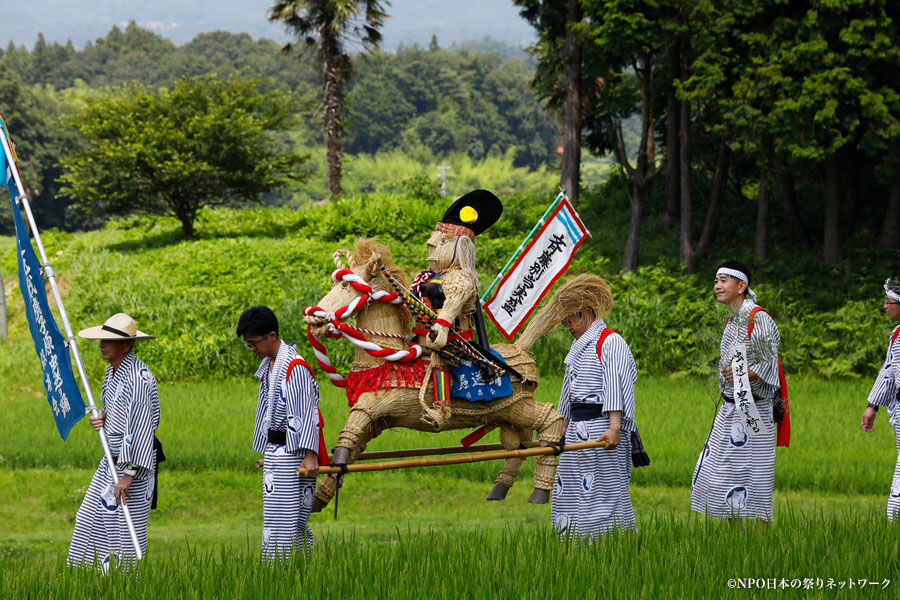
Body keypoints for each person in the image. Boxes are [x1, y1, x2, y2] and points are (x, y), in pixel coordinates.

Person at [546, 274, 643, 538]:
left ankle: (609, 544)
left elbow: (615, 385)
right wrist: (562, 427)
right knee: (569, 490)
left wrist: (614, 427)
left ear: (587, 313)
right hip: (577, 430)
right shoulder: (578, 346)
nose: (568, 326)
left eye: (571, 320)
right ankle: (572, 545)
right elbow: (568, 391)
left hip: (602, 429)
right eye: (564, 322)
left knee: (604, 491)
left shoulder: (610, 342)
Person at [67, 313, 161, 572]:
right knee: (89, 519)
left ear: (127, 345)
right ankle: (91, 579)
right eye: (101, 339)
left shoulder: (138, 378)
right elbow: (118, 410)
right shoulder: (113, 371)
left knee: (125, 534)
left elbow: (142, 427)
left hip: (132, 467)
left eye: (109, 340)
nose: (102, 344)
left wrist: (128, 476)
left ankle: (128, 587)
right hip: (110, 461)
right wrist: (104, 418)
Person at [691, 260, 781, 524]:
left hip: (752, 408)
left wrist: (741, 371)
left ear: (741, 286)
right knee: (720, 470)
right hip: (732, 406)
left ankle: (759, 540)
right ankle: (737, 538)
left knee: (755, 473)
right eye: (716, 280)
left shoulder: (758, 317)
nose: (717, 285)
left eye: (724, 280)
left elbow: (768, 363)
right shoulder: (732, 319)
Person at [237, 306, 322, 559]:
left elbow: (307, 412)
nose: (252, 349)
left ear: (271, 336)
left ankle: (290, 570)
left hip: (293, 452)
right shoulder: (270, 366)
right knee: (274, 519)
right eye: (248, 345)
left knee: (289, 520)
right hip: (275, 453)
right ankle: (276, 570)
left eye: (254, 343)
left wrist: (310, 455)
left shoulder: (294, 367)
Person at [859, 275, 900, 521]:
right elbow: (888, 372)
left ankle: (894, 516)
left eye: (889, 302)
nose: (885, 306)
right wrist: (872, 405)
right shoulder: (896, 335)